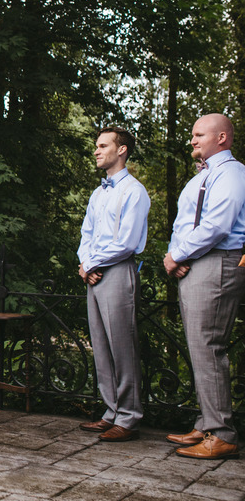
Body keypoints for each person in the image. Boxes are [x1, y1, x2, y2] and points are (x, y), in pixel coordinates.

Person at [163, 113, 245, 459]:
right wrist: (179, 256)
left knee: (209, 346)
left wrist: (176, 255)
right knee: (199, 346)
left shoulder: (231, 174)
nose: (193, 140)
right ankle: (207, 423)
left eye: (199, 135)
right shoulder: (207, 174)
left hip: (219, 262)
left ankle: (222, 433)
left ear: (222, 138)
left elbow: (216, 225)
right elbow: (187, 222)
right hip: (200, 263)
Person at [76, 127, 149, 442]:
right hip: (94, 275)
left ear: (122, 150)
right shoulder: (98, 192)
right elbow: (86, 235)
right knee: (101, 346)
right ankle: (111, 412)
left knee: (123, 346)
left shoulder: (134, 191)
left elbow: (128, 242)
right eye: (96, 145)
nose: (96, 150)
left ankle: (129, 417)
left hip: (118, 271)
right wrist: (84, 265)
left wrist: (92, 263)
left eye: (103, 145)